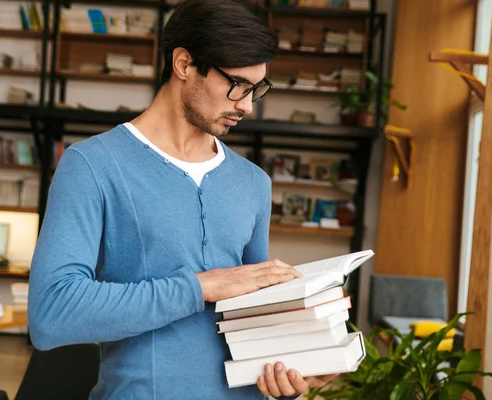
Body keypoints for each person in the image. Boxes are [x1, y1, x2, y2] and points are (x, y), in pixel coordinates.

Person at [28, 0, 340, 398]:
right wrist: (200, 287)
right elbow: (52, 313)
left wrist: (292, 372)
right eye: (237, 85)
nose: (245, 105)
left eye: (256, 89)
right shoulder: (92, 165)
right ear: (183, 64)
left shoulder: (253, 183)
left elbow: (258, 320)